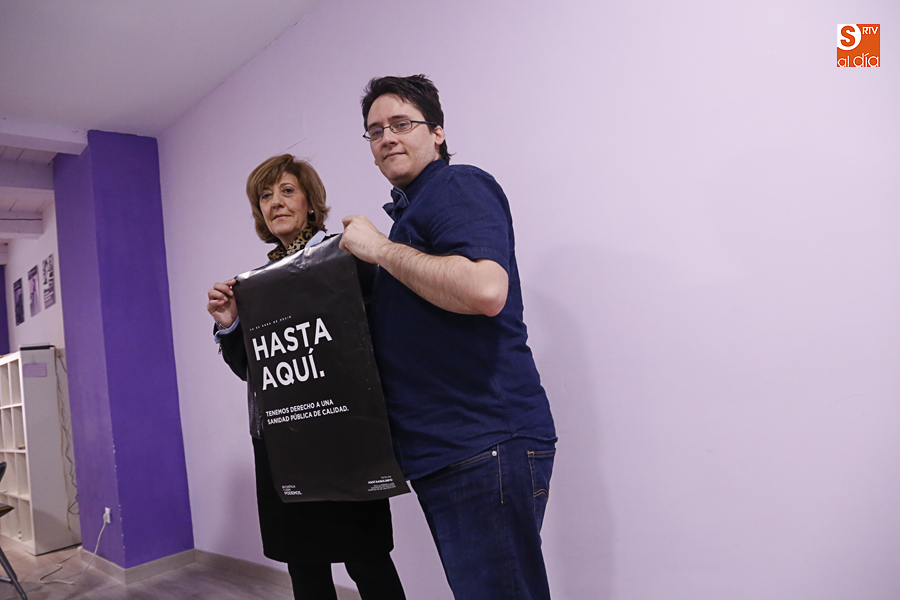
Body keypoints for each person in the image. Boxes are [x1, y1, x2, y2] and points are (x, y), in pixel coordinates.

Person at [340, 75, 557, 600]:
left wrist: (378, 250)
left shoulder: (456, 185)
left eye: (402, 123)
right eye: (375, 131)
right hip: (451, 449)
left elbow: (485, 289)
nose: (387, 137)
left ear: (437, 132)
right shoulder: (413, 214)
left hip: (482, 441)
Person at [206, 154, 406, 600]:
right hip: (284, 446)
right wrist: (230, 324)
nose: (275, 202)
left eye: (287, 191)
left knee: (369, 562)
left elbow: (380, 337)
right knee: (306, 570)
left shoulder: (348, 257)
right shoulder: (252, 286)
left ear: (310, 204)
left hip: (345, 439)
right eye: (265, 195)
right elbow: (253, 371)